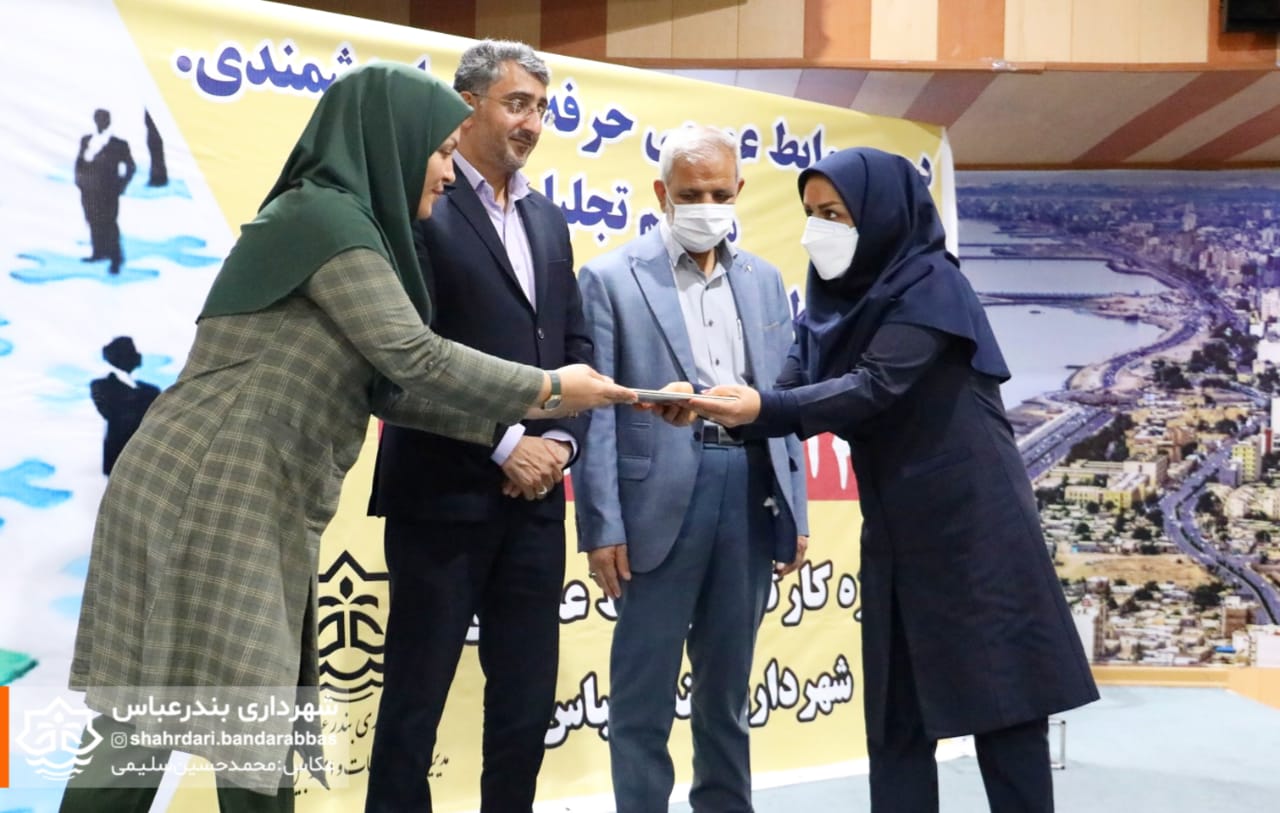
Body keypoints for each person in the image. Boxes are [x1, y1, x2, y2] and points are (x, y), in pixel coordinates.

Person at [59, 63, 632, 813]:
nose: (447, 173)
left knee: (242, 727)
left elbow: (391, 389)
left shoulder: (355, 229)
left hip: (251, 493)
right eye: (439, 152)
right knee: (157, 726)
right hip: (207, 489)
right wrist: (550, 389)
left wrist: (526, 429)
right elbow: (417, 358)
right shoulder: (326, 221)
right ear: (390, 143)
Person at [687, 146, 1099, 813]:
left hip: (974, 526)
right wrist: (715, 403)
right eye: (811, 212)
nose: (817, 229)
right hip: (897, 528)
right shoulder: (833, 302)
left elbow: (875, 385)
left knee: (1004, 708)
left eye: (834, 213)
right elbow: (791, 384)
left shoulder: (931, 283)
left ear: (881, 214)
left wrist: (761, 408)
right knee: (895, 717)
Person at [364, 40, 588, 813]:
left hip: (537, 501)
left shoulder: (549, 218)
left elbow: (574, 345)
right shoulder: (422, 201)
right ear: (467, 106)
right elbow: (406, 354)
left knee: (525, 703)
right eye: (517, 103)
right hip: (441, 493)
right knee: (414, 700)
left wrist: (559, 443)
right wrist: (506, 441)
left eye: (542, 108)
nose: (532, 123)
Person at [573, 125, 809, 813]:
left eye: (719, 193)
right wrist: (602, 525)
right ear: (661, 193)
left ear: (739, 191)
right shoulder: (611, 278)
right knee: (642, 692)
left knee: (727, 690)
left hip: (750, 488)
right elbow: (598, 414)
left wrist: (795, 506)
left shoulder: (765, 280)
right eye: (691, 194)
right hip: (656, 501)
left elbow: (783, 396)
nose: (707, 206)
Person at [75, 108, 135, 274]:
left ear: (108, 121)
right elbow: (79, 162)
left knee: (109, 223)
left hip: (108, 192)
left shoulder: (118, 144)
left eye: (103, 119)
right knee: (93, 221)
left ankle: (116, 259)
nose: (100, 122)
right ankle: (98, 252)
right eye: (98, 119)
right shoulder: (86, 140)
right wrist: (80, 182)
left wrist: (121, 185)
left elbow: (131, 166)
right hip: (88, 191)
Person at [89, 336, 160, 474]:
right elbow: (110, 412)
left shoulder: (150, 390)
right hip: (118, 457)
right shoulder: (101, 386)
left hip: (146, 458)